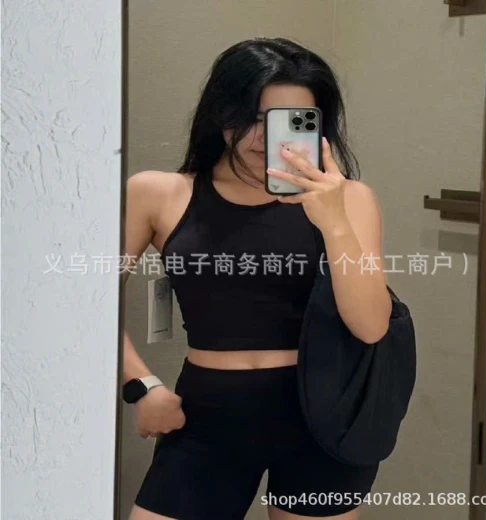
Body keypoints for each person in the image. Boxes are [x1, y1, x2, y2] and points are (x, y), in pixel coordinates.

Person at [124, 37, 392, 520]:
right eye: (253, 117)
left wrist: (333, 222)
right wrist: (140, 384)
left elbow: (371, 326)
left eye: (288, 121)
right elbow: (84, 303)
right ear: (221, 111)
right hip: (208, 415)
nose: (266, 137)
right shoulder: (158, 193)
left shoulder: (350, 200)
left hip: (322, 415)